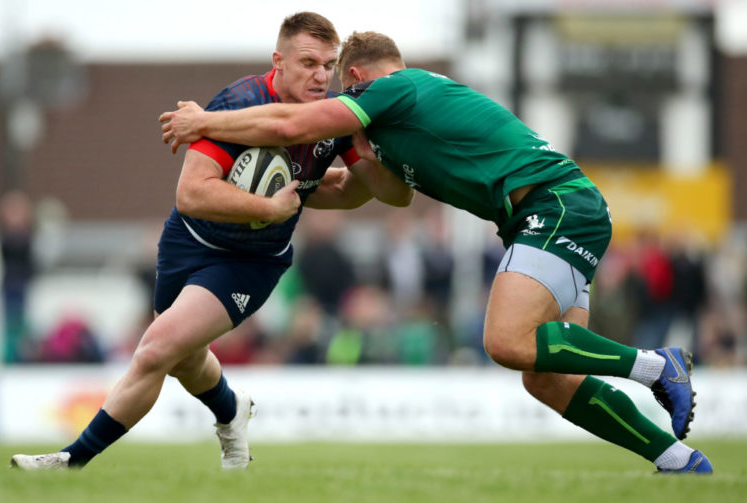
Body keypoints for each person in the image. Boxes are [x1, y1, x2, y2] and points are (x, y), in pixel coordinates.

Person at [158, 31, 713, 474]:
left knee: (504, 340)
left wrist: (203, 122)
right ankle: (679, 461)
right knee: (547, 376)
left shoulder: (392, 89)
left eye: (338, 84)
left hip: (555, 207)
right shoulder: (400, 126)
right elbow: (390, 195)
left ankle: (655, 366)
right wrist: (324, 173)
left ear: (355, 78)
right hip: (557, 213)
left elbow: (290, 122)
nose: (331, 93)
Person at [10, 14, 411, 471]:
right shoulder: (240, 102)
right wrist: (268, 207)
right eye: (308, 63)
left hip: (251, 260)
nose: (321, 75)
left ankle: (70, 461)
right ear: (278, 62)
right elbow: (192, 193)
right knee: (182, 359)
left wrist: (376, 153)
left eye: (328, 64)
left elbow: (363, 191)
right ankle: (231, 410)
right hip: (188, 239)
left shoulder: (335, 119)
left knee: (157, 348)